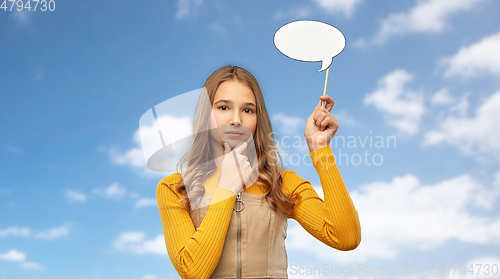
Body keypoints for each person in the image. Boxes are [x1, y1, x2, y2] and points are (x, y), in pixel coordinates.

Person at [156, 65, 361, 279]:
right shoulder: (174, 188)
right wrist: (226, 188)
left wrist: (320, 150)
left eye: (247, 110)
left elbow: (346, 237)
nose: (236, 120)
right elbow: (193, 272)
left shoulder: (283, 183)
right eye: (223, 107)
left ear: (257, 118)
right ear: (205, 115)